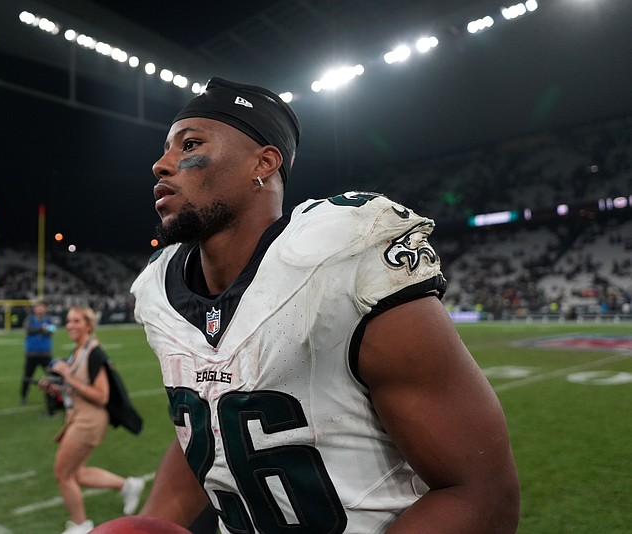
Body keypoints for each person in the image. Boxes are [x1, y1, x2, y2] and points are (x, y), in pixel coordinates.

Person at [129, 77, 520, 533]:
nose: (161, 164)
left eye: (189, 144)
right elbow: (209, 430)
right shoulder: (158, 288)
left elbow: (481, 495)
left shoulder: (339, 254)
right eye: (166, 148)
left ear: (264, 162)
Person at [39, 305, 145, 534]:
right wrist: (56, 387)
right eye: (69, 320)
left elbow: (101, 395)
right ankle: (128, 485)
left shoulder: (94, 352)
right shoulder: (78, 350)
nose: (70, 325)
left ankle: (81, 526)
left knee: (63, 474)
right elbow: (75, 390)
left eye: (77, 320)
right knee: (77, 473)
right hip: (78, 416)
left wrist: (67, 376)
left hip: (89, 421)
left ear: (88, 324)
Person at [21, 301, 55, 407]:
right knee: (27, 377)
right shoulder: (29, 319)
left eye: (42, 307)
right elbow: (29, 330)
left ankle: (53, 399)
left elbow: (51, 331)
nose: (40, 309)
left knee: (51, 378)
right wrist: (42, 329)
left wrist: (38, 330)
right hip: (31, 354)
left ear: (45, 309)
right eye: (38, 307)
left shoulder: (49, 320)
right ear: (35, 309)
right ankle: (23, 396)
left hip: (45, 354)